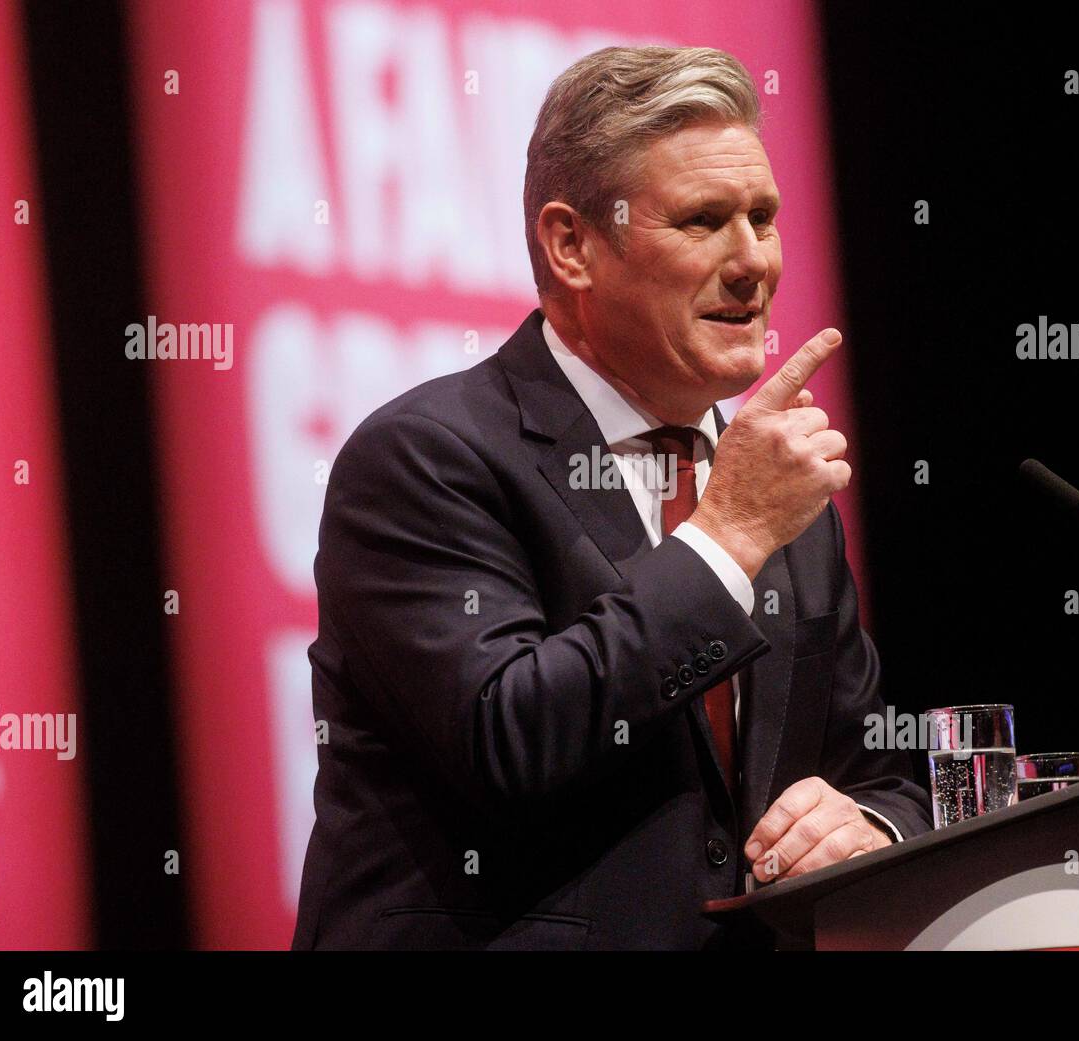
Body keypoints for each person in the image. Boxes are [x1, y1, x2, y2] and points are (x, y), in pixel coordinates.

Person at [292, 44, 931, 951]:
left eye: (764, 216)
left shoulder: (771, 490)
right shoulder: (426, 458)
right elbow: (507, 739)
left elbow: (876, 770)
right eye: (705, 221)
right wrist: (728, 536)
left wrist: (874, 828)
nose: (754, 262)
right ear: (572, 245)